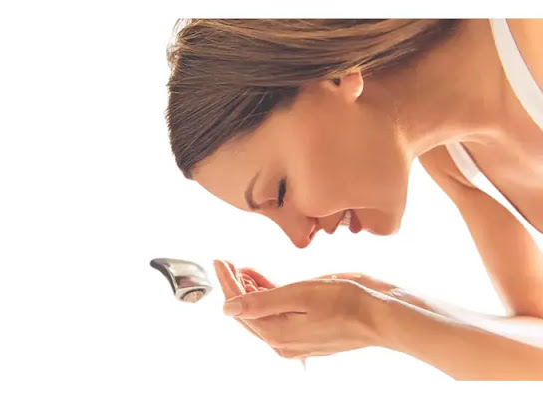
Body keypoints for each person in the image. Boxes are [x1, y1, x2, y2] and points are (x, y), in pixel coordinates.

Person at [164, 19, 543, 380]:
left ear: (337, 75)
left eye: (279, 191)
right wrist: (386, 303)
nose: (300, 239)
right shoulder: (453, 161)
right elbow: (535, 333)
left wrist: (376, 320)